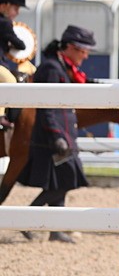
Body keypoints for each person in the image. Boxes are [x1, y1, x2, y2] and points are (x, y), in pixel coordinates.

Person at [17, 25, 97, 243]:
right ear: (70, 48)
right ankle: (27, 218)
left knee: (58, 183)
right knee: (66, 181)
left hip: (62, 134)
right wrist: (56, 136)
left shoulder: (62, 66)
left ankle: (54, 229)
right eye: (83, 50)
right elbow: (47, 107)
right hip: (53, 138)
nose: (86, 55)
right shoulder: (52, 68)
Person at [0, 0, 29, 130]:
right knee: (9, 80)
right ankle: (0, 114)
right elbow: (20, 45)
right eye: (15, 8)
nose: (17, 13)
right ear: (4, 6)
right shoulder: (5, 23)